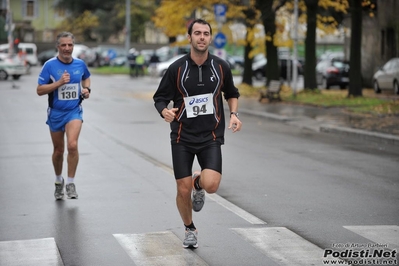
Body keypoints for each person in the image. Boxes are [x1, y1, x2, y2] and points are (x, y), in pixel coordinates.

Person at [153, 18, 242, 249]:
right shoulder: (177, 68)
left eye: (206, 33)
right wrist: (164, 111)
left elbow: (231, 92)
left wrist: (234, 114)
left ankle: (199, 183)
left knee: (212, 185)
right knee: (182, 190)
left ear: (210, 38)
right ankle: (190, 228)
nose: (202, 37)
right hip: (182, 136)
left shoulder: (221, 67)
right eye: (197, 33)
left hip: (210, 136)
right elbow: (160, 97)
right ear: (189, 37)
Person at [36, 32, 91, 200]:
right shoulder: (49, 66)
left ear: (73, 46)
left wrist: (87, 90)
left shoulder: (80, 64)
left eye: (70, 45)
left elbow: (86, 78)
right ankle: (58, 182)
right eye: (63, 45)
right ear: (58, 47)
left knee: (72, 146)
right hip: (56, 113)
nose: (67, 48)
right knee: (59, 150)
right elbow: (39, 90)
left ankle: (71, 182)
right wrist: (58, 83)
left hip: (74, 111)